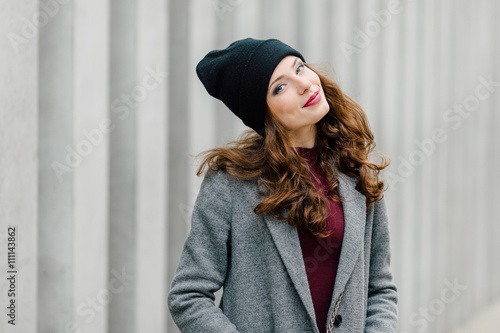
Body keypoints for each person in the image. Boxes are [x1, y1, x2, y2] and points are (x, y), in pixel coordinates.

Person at [168, 38, 398, 333]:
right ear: (263, 113)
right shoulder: (230, 184)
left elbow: (379, 288)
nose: (303, 84)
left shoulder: (355, 171)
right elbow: (188, 296)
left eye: (299, 68)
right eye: (280, 86)